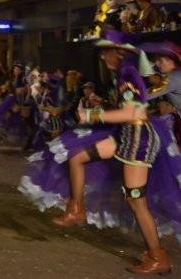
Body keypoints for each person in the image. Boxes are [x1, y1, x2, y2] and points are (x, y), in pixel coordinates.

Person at [19, 30, 180, 276]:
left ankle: (158, 256)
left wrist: (91, 115)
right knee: (78, 156)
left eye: (105, 52)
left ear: (118, 53)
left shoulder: (127, 74)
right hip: (126, 136)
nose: (103, 58)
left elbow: (134, 114)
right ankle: (76, 208)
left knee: (136, 200)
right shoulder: (121, 75)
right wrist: (104, 106)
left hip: (138, 140)